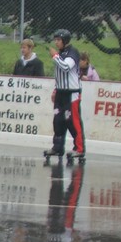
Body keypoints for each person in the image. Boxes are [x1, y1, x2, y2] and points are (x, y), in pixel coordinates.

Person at [45, 29, 85, 161]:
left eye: (58, 40)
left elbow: (66, 67)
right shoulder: (61, 53)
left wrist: (55, 56)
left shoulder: (73, 52)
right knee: (58, 121)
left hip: (71, 93)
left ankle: (79, 149)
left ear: (65, 40)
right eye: (55, 40)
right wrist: (56, 90)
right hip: (60, 92)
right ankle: (57, 147)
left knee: (72, 121)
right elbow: (59, 75)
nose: (56, 42)